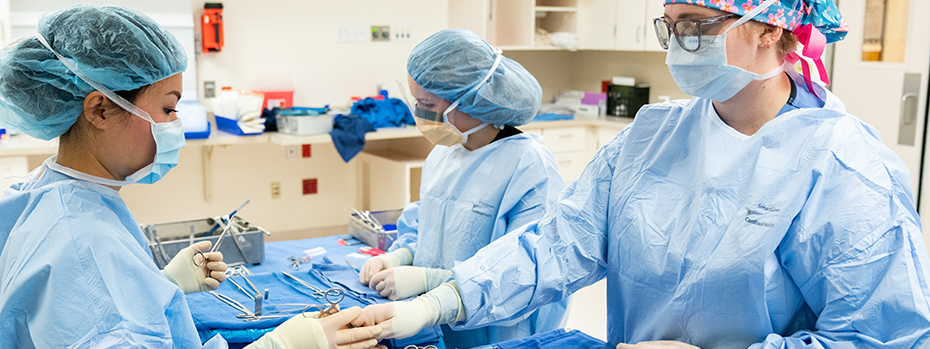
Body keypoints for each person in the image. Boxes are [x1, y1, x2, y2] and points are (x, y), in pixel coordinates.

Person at [352, 0, 930, 348]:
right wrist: (439, 302)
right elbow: (557, 244)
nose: (679, 44)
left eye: (698, 25)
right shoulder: (652, 137)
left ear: (770, 29)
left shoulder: (844, 168)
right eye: (670, 24)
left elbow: (882, 337)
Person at [0, 6, 381, 349]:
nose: (175, 125)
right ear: (99, 110)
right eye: (167, 108)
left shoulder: (44, 193)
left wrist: (159, 286)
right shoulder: (85, 241)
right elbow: (100, 305)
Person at [357, 29, 570, 348]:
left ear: (472, 99)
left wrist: (427, 280)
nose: (419, 113)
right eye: (416, 101)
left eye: (427, 104)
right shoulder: (446, 150)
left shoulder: (529, 166)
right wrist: (401, 256)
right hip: (435, 324)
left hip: (498, 333)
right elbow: (430, 227)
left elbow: (522, 276)